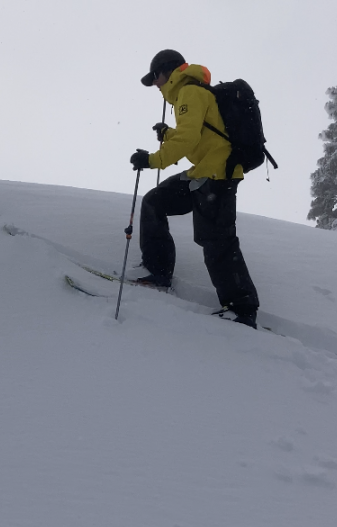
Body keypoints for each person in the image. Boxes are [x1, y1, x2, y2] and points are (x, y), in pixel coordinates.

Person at [130, 49, 260, 329]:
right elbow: (197, 135)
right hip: (203, 173)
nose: (155, 85)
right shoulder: (190, 94)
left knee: (217, 240)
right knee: (155, 201)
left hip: (217, 175)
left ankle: (242, 309)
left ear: (167, 71)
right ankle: (157, 273)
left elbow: (188, 139)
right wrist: (167, 134)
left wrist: (153, 160)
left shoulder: (190, 92)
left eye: (155, 77)